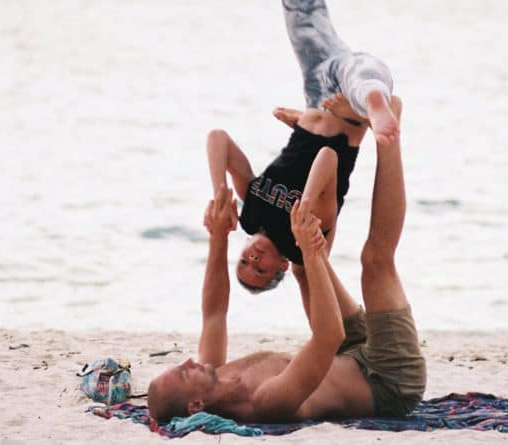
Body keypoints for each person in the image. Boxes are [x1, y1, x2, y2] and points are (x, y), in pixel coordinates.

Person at [148, 96, 425, 423]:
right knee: (375, 263)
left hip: (350, 352)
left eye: (178, 365)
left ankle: (315, 129)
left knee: (302, 270)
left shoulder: (215, 372)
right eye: (182, 374)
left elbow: (214, 312)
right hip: (386, 377)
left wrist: (219, 236)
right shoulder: (263, 402)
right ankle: (389, 136)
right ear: (195, 405)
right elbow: (327, 338)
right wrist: (312, 251)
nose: (186, 363)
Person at [207, 0, 401, 292]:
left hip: (316, 95)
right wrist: (305, 205)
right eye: (261, 269)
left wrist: (220, 192)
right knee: (363, 77)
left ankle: (371, 99)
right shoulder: (303, 241)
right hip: (349, 111)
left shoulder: (251, 217)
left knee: (300, 10)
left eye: (244, 263)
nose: (253, 259)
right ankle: (375, 102)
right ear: (283, 267)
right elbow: (327, 157)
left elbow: (218, 138)